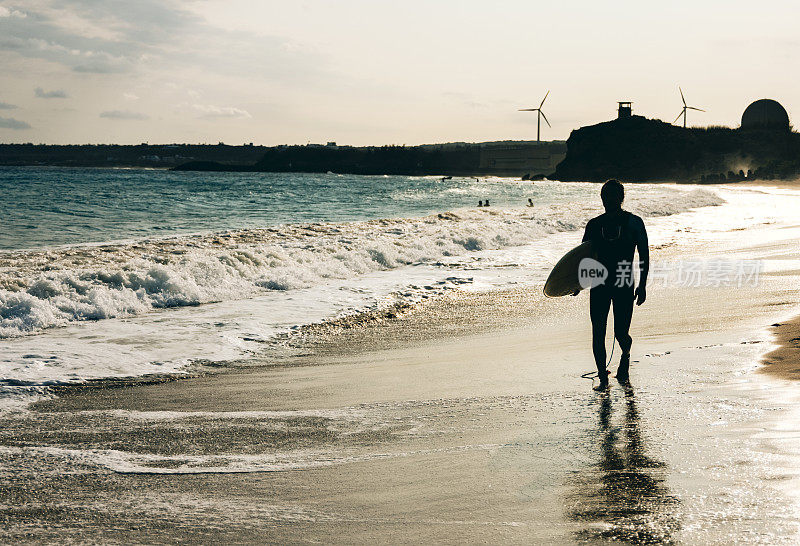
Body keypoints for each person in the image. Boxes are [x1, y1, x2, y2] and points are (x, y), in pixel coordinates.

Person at [579, 180, 649, 390]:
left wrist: (643, 285)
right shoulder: (594, 225)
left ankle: (625, 355)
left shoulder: (634, 223)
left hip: (624, 279)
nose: (607, 199)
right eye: (604, 195)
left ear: (621, 198)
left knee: (620, 332)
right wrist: (575, 284)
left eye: (611, 195)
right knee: (598, 331)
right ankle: (602, 377)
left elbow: (644, 256)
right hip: (599, 281)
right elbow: (583, 257)